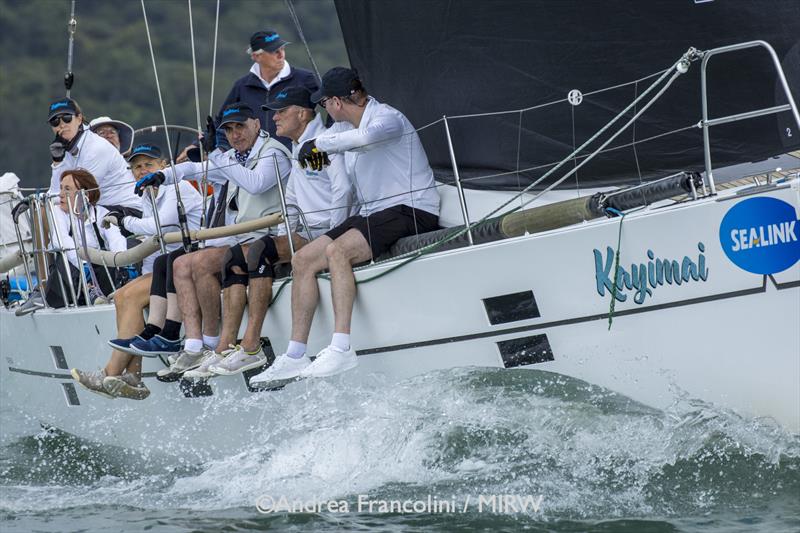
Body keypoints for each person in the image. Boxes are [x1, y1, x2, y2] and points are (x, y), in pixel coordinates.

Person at [252, 67, 441, 385]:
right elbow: (311, 156)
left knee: (337, 251)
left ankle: (341, 347)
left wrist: (321, 147)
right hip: (374, 213)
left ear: (336, 102)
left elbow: (366, 138)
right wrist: (310, 152)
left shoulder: (387, 118)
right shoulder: (337, 128)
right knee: (303, 259)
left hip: (411, 209)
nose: (322, 109)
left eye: (323, 103)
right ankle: (296, 354)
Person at [183, 87, 353, 379]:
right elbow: (294, 196)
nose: (275, 118)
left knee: (259, 250)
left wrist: (335, 231)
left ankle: (251, 346)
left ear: (302, 113)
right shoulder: (302, 146)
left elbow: (342, 189)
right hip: (306, 229)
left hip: (326, 230)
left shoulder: (315, 145)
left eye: (281, 111)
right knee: (234, 258)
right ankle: (226, 347)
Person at [136, 102, 292, 378]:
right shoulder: (235, 158)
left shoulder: (273, 154)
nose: (235, 134)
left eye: (240, 126)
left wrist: (219, 154)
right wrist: (162, 175)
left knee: (203, 261)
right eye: (229, 129)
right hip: (242, 238)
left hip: (269, 235)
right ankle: (197, 345)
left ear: (257, 124)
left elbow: (256, 183)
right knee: (181, 265)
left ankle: (213, 343)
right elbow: (193, 170)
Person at [69, 144, 203, 400]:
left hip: (188, 262)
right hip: (166, 265)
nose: (142, 171)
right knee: (121, 295)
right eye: (137, 167)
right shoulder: (148, 195)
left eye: (148, 165)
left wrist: (122, 221)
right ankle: (133, 377)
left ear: (163, 166)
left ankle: (111, 371)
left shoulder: (178, 187)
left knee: (129, 297)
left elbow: (157, 227)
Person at [177, 29, 317, 160]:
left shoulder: (305, 79)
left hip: (299, 158)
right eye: (274, 51)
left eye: (282, 48)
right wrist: (198, 145)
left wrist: (329, 138)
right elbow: (220, 122)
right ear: (256, 56)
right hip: (258, 164)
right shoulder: (242, 86)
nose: (281, 55)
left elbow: (329, 103)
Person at [15, 168, 128, 316]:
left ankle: (118, 286)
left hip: (102, 277)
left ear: (85, 195)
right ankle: (87, 290)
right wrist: (84, 267)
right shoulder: (58, 213)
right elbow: (60, 239)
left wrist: (122, 262)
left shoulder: (102, 213)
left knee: (115, 252)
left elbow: (116, 240)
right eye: (61, 188)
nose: (61, 194)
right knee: (64, 254)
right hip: (68, 283)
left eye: (67, 189)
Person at [46, 98, 141, 213]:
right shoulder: (65, 147)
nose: (61, 125)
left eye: (67, 118)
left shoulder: (96, 148)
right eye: (55, 122)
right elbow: (56, 194)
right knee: (45, 209)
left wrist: (48, 202)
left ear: (79, 119)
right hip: (99, 210)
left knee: (56, 211)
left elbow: (77, 194)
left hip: (127, 211)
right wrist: (57, 161)